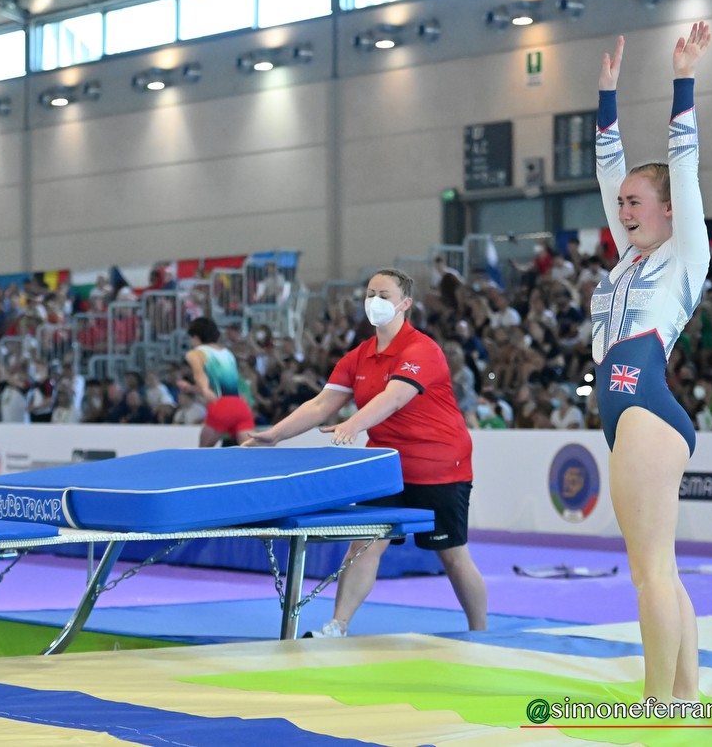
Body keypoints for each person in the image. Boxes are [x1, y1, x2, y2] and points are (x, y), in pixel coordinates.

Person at [245, 268, 487, 637]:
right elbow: (321, 404)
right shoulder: (358, 356)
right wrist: (275, 435)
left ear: (405, 304)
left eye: (384, 295)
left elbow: (395, 397)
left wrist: (354, 424)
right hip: (386, 466)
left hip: (439, 466)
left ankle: (481, 632)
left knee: (452, 555)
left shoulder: (422, 349)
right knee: (364, 545)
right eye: (370, 293)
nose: (374, 301)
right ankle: (337, 626)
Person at [592, 21, 711, 704]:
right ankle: (685, 695)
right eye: (621, 206)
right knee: (661, 570)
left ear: (669, 211)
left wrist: (683, 79)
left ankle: (658, 701)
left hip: (644, 410)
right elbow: (610, 171)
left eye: (635, 203)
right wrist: (606, 97)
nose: (623, 209)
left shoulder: (684, 254)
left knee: (650, 576)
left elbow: (683, 167)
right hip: (633, 415)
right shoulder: (630, 259)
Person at [183, 317, 255, 446]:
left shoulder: (195, 353)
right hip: (240, 406)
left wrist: (204, 389)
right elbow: (229, 383)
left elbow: (200, 375)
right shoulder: (227, 353)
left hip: (221, 405)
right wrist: (192, 388)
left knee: (203, 452)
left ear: (195, 337)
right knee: (251, 451)